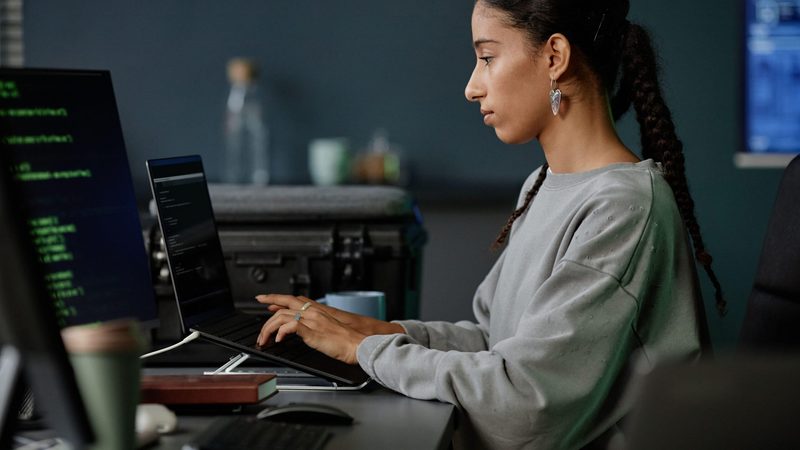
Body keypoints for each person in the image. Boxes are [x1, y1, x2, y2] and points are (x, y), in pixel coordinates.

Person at [255, 0, 726, 448]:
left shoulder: (623, 208)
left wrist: (367, 354)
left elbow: (524, 408)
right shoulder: (542, 185)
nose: (472, 86)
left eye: (487, 57)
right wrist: (376, 332)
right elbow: (493, 341)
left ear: (555, 56)